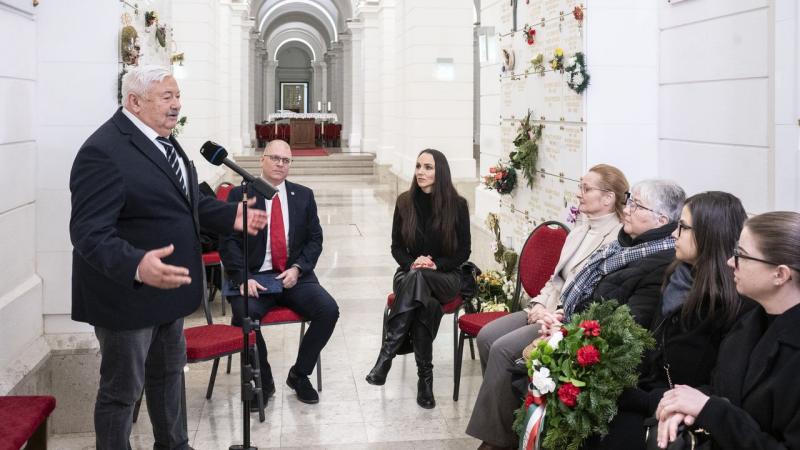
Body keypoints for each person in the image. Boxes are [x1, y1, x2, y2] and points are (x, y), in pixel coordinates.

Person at [69, 65, 267, 450]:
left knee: (169, 379)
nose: (177, 105)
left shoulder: (166, 141)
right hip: (126, 298)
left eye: (177, 96)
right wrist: (137, 264)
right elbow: (88, 233)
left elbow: (185, 205)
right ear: (134, 102)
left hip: (169, 295)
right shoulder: (103, 151)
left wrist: (231, 216)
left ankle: (175, 446)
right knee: (122, 393)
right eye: (167, 97)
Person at [466, 164, 629, 450]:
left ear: (608, 198)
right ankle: (506, 419)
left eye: (586, 188)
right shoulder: (579, 231)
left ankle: (495, 442)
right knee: (487, 336)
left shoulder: (615, 240)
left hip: (564, 319)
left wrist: (551, 315)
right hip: (545, 308)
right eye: (580, 186)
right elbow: (554, 281)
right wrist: (537, 305)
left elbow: (590, 295)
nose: (579, 194)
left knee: (503, 349)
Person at [586, 191, 748, 449]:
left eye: (682, 227)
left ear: (710, 234)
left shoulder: (728, 304)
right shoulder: (677, 277)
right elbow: (651, 351)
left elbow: (716, 387)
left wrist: (635, 397)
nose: (673, 233)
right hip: (650, 394)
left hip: (679, 412)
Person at [654, 211, 800, 450]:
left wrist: (709, 410)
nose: (730, 262)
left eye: (741, 255)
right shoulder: (750, 322)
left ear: (780, 274)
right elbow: (720, 388)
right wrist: (681, 405)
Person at [219, 139, 339, 406]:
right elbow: (227, 242)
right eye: (274, 158)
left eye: (286, 160)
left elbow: (315, 240)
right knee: (244, 315)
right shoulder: (242, 195)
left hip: (293, 277)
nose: (280, 164)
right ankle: (263, 382)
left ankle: (299, 374)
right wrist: (242, 277)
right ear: (262, 159)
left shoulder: (303, 195)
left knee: (328, 310)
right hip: (254, 277)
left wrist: (298, 269)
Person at [365, 148, 471, 409]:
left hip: (445, 276)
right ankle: (425, 381)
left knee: (420, 281)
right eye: (418, 166)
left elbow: (463, 251)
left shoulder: (457, 206)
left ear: (440, 172)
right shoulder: (404, 202)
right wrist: (412, 263)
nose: (421, 172)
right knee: (427, 304)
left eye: (428, 167)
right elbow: (396, 247)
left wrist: (435, 264)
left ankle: (386, 356)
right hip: (409, 273)